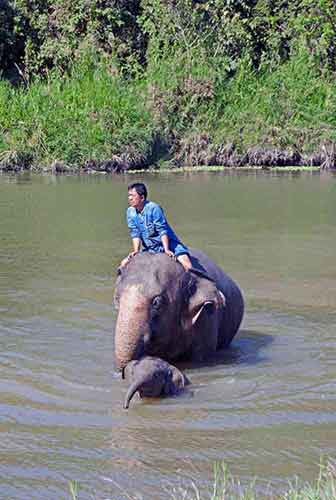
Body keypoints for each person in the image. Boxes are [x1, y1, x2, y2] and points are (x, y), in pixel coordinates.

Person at [120, 182, 192, 271]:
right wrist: (136, 251)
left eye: (133, 195)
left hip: (170, 244)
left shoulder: (154, 208)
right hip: (149, 248)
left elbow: (162, 230)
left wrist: (166, 250)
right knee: (123, 264)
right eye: (129, 195)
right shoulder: (130, 212)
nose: (130, 198)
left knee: (187, 265)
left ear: (142, 197)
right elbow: (135, 233)